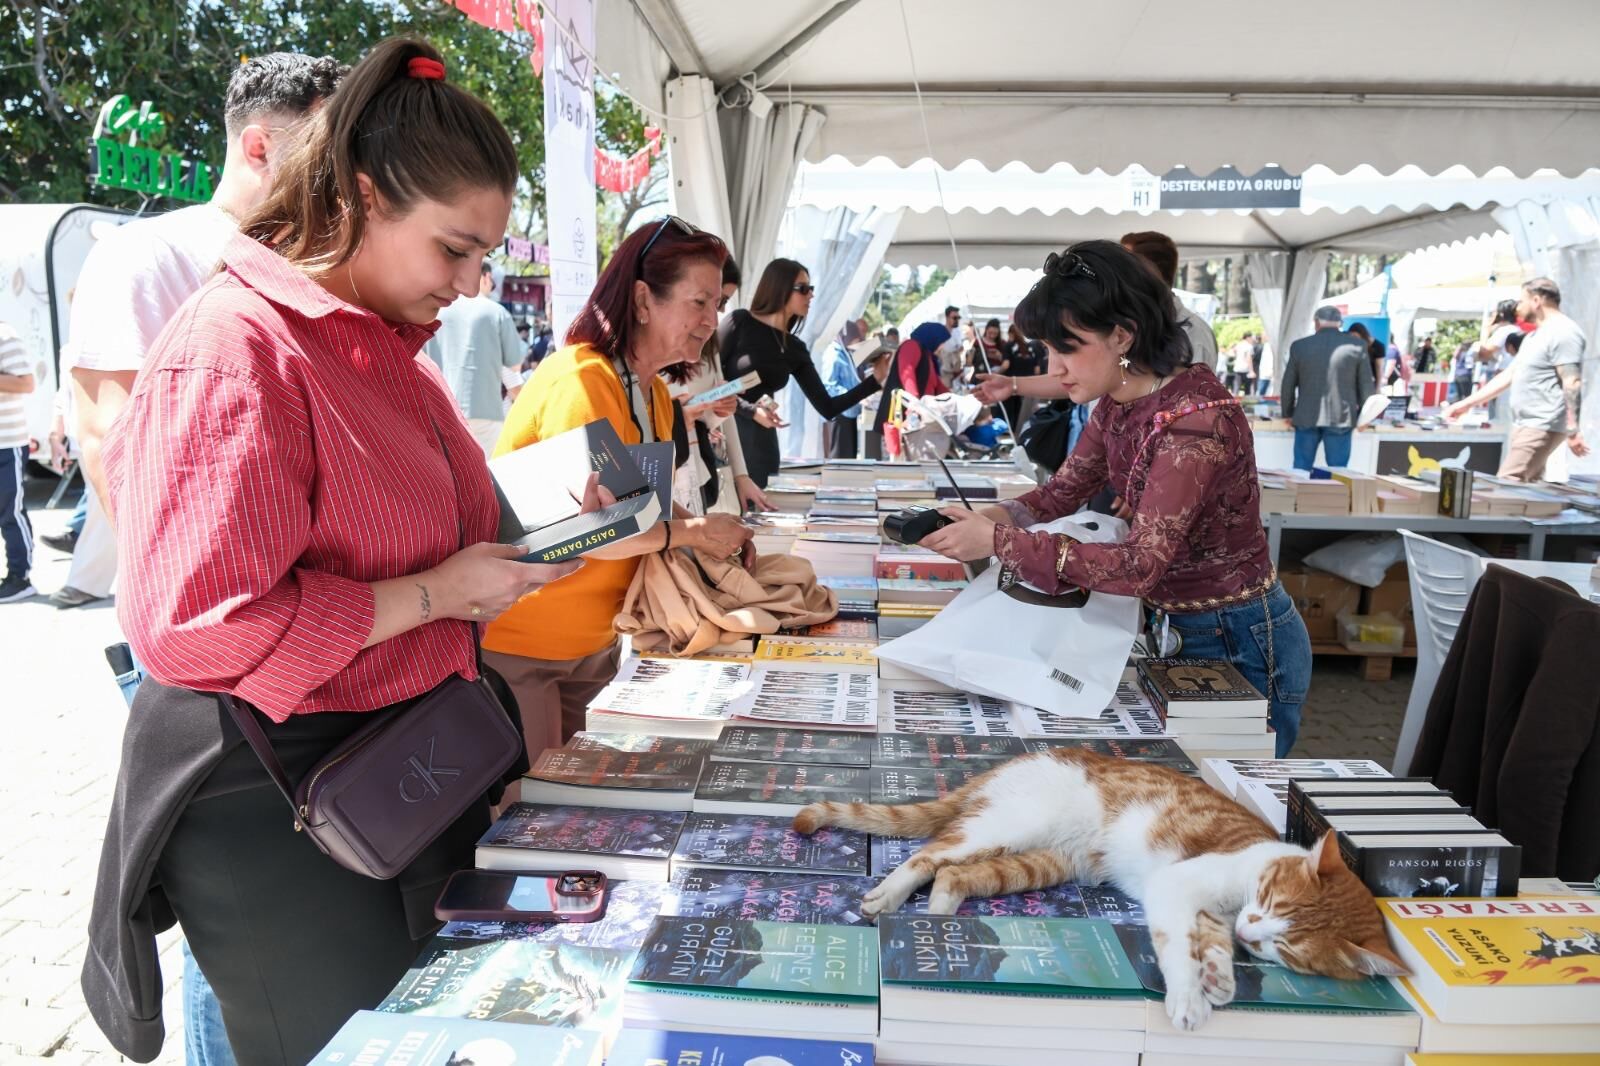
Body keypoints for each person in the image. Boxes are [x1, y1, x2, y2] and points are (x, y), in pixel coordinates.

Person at [84, 40, 591, 1066]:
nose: (471, 281)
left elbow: (425, 520)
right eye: (455, 249)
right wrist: (437, 592)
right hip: (287, 806)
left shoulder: (381, 346)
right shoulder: (237, 347)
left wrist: (532, 528)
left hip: (393, 771)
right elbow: (196, 626)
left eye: (483, 255)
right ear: (363, 195)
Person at [919, 241, 1312, 757]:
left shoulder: (1194, 422)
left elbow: (1138, 566)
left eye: (1069, 348)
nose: (1056, 369)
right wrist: (979, 521)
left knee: (1229, 813)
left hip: (1238, 644)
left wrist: (998, 540)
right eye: (1049, 350)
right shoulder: (1120, 402)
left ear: (1123, 334)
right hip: (1170, 630)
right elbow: (1059, 494)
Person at [57, 51, 347, 611]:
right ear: (259, 147)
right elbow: (107, 443)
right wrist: (196, 603)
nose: (345, 171)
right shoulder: (143, 256)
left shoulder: (323, 264)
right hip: (210, 615)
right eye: (329, 149)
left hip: (322, 606)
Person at [483, 217, 753, 763]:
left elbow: (643, 502)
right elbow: (596, 532)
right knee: (530, 818)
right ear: (643, 300)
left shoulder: (650, 391)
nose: (711, 321)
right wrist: (694, 532)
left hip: (594, 644)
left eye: (717, 305)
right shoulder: (582, 382)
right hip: (527, 646)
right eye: (700, 303)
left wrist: (706, 536)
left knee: (576, 815)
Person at [718, 258, 882, 486]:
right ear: (779, 287)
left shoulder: (794, 348)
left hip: (762, 452)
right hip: (727, 440)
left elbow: (828, 407)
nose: (810, 295)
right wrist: (750, 411)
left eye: (811, 289)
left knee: (756, 519)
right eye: (803, 289)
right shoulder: (739, 322)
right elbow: (709, 385)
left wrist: (875, 381)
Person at [1444, 277, 1589, 480]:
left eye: (1521, 301)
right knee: (1525, 492)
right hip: (1528, 424)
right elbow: (1509, 375)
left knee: (1507, 484)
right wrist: (1466, 404)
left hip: (1541, 424)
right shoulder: (1535, 336)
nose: (1517, 308)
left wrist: (1573, 430)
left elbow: (1571, 381)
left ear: (1536, 300)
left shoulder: (1564, 332)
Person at [665, 255, 770, 513]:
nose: (715, 315)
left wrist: (717, 412)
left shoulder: (709, 344)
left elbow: (707, 419)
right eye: (703, 301)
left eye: (721, 303)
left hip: (697, 472)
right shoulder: (649, 352)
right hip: (669, 476)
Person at [424, 259, 524, 456]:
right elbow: (514, 365)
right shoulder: (496, 312)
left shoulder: (435, 314)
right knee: (489, 478)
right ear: (486, 277)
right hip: (487, 412)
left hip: (441, 412)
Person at [1279, 305, 1375, 470]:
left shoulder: (1300, 346)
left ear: (1316, 322)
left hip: (1306, 416)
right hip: (1341, 417)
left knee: (1301, 469)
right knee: (1338, 472)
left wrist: (1287, 413)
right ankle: (1335, 497)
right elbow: (1366, 384)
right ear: (1339, 323)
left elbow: (1287, 384)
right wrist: (1365, 417)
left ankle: (1300, 497)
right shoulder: (1357, 346)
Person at [1119, 231, 1219, 371]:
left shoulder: (1192, 335)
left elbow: (1193, 391)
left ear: (1149, 273)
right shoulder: (1127, 325)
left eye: (1122, 268)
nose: (1115, 277)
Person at [874, 322, 952, 458]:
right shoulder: (911, 346)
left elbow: (936, 384)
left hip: (916, 420)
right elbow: (907, 373)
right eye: (941, 342)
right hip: (903, 416)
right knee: (897, 462)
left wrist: (955, 400)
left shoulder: (927, 355)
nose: (942, 346)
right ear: (933, 337)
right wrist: (914, 405)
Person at [0, 321, 35, 603]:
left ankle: (20, 578)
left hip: (6, 442)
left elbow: (26, 383)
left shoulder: (5, 336)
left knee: (10, 513)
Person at [822, 319, 869, 459]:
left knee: (849, 457)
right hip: (840, 414)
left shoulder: (845, 353)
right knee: (839, 459)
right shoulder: (833, 355)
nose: (855, 343)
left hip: (850, 411)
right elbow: (829, 385)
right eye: (853, 340)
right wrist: (852, 395)